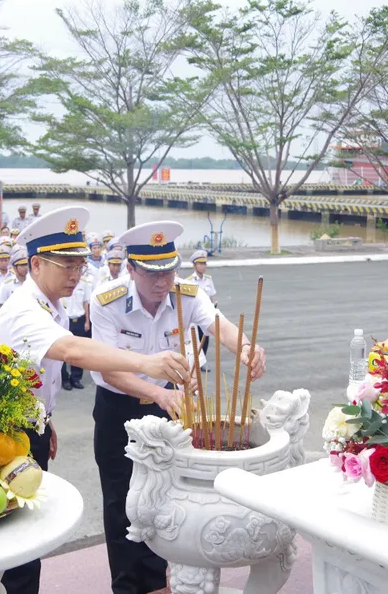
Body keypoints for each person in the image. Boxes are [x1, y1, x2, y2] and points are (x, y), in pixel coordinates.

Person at [0, 206, 191, 594]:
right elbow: (72, 352)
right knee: (16, 535)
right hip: (5, 435)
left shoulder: (51, 305)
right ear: (35, 264)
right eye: (65, 264)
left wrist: (44, 419)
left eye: (79, 264)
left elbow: (31, 375)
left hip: (25, 426)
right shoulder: (23, 310)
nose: (75, 274)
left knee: (28, 526)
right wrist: (147, 363)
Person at [90, 221, 266, 594]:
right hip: (119, 408)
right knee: (120, 499)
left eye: (168, 270)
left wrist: (247, 348)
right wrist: (157, 393)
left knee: (163, 496)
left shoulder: (188, 293)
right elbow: (108, 370)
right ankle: (125, 585)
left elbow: (219, 327)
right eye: (152, 273)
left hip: (169, 405)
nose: (162, 281)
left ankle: (156, 583)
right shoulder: (105, 301)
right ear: (131, 269)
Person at [61, 265, 93, 391]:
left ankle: (76, 378)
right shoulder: (63, 281)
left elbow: (86, 302)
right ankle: (64, 379)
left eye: (79, 269)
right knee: (63, 351)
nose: (77, 272)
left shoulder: (84, 283)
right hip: (66, 319)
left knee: (78, 351)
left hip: (79, 319)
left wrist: (87, 320)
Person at [187, 249, 217, 358]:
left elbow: (211, 297)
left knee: (206, 338)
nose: (203, 266)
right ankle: (196, 362)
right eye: (201, 264)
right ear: (194, 266)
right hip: (195, 316)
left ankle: (202, 361)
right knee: (195, 339)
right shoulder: (189, 281)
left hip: (206, 314)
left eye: (204, 263)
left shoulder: (208, 280)